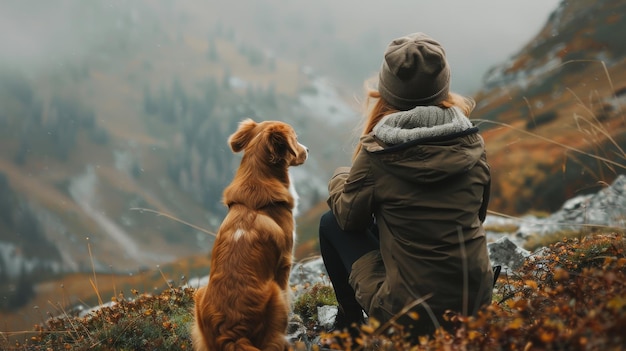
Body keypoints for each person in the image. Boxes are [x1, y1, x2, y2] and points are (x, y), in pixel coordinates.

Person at [318, 32, 494, 340]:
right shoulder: (472, 143)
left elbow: (349, 218)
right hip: (474, 305)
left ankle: (352, 328)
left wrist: (339, 178)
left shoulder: (379, 153)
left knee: (330, 222)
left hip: (409, 318)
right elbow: (477, 217)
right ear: (444, 86)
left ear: (388, 93)